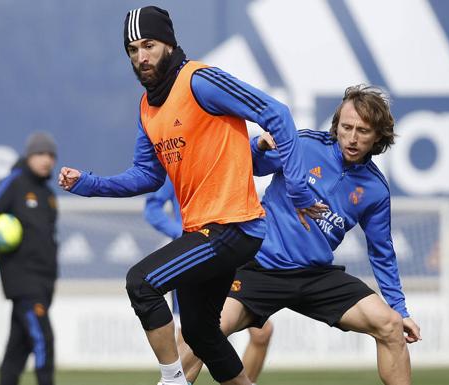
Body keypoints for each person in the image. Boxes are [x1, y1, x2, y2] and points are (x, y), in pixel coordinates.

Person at [58, 6, 325, 385]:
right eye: (132, 50)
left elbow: (277, 113)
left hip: (234, 227)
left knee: (142, 283)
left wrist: (297, 188)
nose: (141, 57)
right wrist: (89, 183)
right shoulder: (147, 107)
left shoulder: (200, 80)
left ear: (168, 43)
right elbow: (147, 177)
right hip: (203, 231)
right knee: (200, 331)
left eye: (148, 45)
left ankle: (172, 380)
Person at [179, 85, 422, 385]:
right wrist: (260, 146)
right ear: (337, 126)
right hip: (259, 267)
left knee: (391, 326)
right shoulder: (304, 145)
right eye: (347, 127)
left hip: (314, 275)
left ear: (379, 136)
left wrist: (400, 309)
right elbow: (249, 166)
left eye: (363, 130)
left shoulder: (374, 189)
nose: (353, 137)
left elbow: (382, 254)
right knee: (203, 329)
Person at [145, 177, 274, 385]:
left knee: (261, 332)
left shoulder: (245, 157)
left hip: (232, 249)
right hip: (194, 254)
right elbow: (152, 208)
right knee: (191, 335)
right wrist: (183, 237)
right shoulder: (183, 161)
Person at [0, 132, 58, 385]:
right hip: (23, 280)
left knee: (17, 351)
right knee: (44, 339)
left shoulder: (48, 194)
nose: (47, 160)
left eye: (51, 155)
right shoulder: (14, 182)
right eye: (41, 154)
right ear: (29, 156)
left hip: (44, 282)